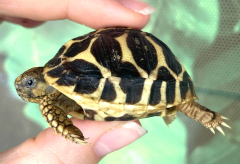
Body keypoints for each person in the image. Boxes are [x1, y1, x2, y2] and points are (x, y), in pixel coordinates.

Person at [0, 0, 155, 163]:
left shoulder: (56, 94)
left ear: (45, 77)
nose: (23, 89)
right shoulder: (57, 97)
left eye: (30, 83)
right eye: (21, 88)